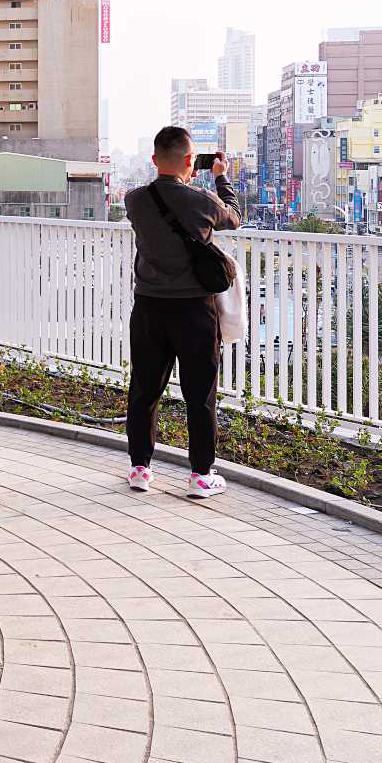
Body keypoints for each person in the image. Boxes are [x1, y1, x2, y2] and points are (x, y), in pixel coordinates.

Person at [121, 126, 241, 499]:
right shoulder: (202, 200)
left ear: (154, 160)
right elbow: (234, 217)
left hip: (149, 308)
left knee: (144, 389)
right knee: (200, 393)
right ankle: (201, 476)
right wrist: (220, 179)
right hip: (194, 312)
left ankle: (140, 468)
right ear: (192, 161)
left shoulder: (135, 200)